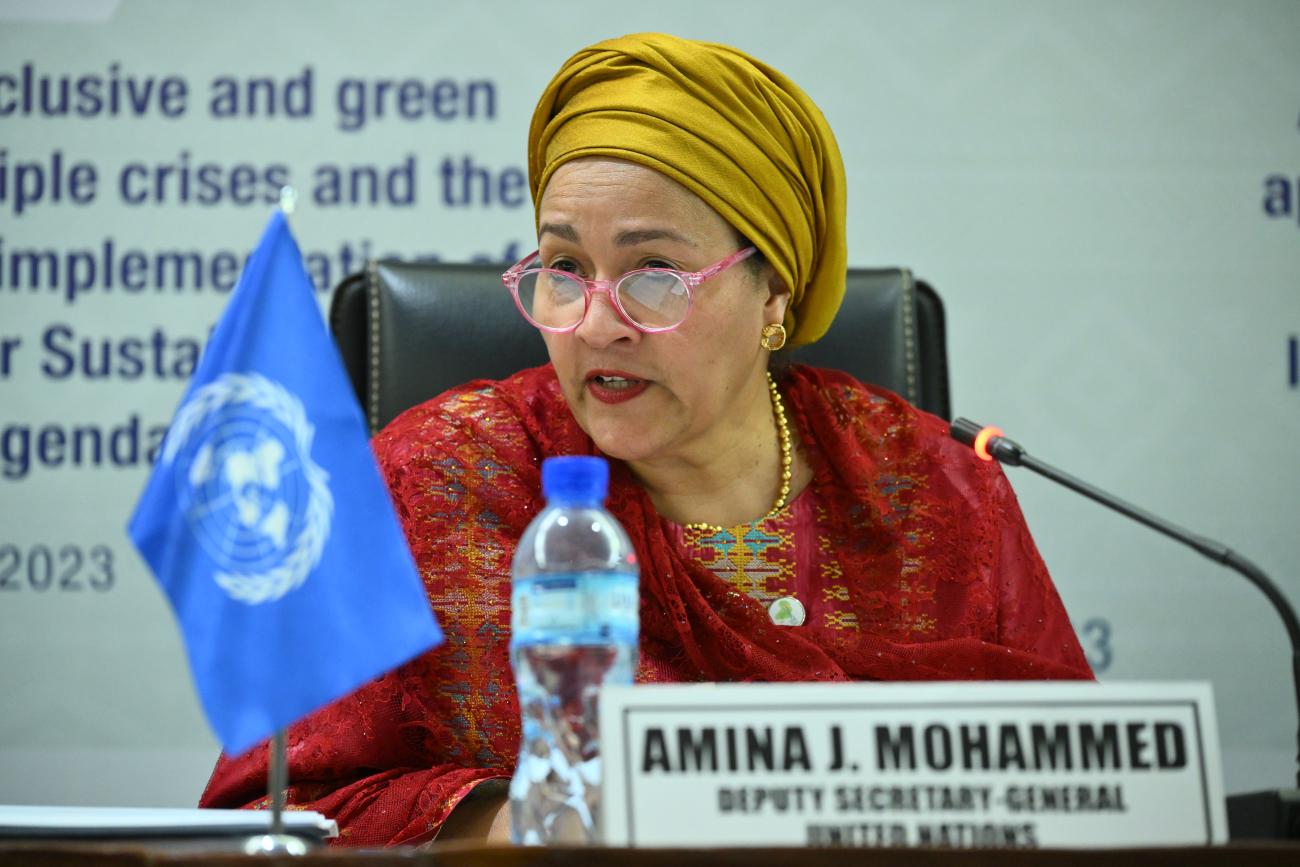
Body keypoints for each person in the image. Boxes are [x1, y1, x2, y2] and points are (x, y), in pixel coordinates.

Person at [199, 32, 1092, 846]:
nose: (596, 324)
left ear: (773, 291)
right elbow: (271, 819)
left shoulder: (936, 486)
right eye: (564, 269)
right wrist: (535, 824)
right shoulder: (438, 475)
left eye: (654, 276)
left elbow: (1088, 791)